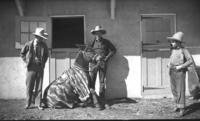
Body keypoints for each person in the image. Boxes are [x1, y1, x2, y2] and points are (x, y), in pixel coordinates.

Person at [42, 45, 103, 109]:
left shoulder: (80, 70)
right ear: (83, 54)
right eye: (90, 52)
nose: (92, 54)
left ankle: (94, 101)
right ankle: (96, 103)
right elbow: (85, 88)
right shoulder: (78, 72)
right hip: (54, 97)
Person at [20, 27, 49, 110]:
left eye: (42, 38)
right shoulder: (29, 44)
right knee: (29, 86)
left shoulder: (44, 45)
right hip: (31, 68)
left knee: (39, 87)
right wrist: (27, 61)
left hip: (40, 68)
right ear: (37, 37)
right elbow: (22, 53)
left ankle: (38, 104)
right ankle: (28, 104)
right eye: (41, 37)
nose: (42, 39)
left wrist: (43, 63)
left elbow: (46, 55)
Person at [89, 25, 116, 110]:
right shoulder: (92, 43)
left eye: (100, 32)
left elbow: (113, 50)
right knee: (91, 81)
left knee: (102, 82)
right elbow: (88, 53)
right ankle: (93, 100)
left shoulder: (106, 42)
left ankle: (102, 100)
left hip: (102, 64)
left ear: (101, 33)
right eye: (97, 33)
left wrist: (106, 58)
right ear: (95, 33)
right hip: (93, 64)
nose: (98, 34)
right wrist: (94, 57)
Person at [167, 32, 193, 116]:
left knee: (180, 90)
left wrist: (181, 66)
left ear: (179, 42)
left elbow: (190, 61)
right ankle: (177, 105)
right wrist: (169, 64)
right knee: (174, 89)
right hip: (172, 71)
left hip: (180, 72)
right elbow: (171, 58)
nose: (172, 43)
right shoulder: (172, 49)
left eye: (174, 41)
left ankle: (182, 108)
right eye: (172, 41)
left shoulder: (184, 50)